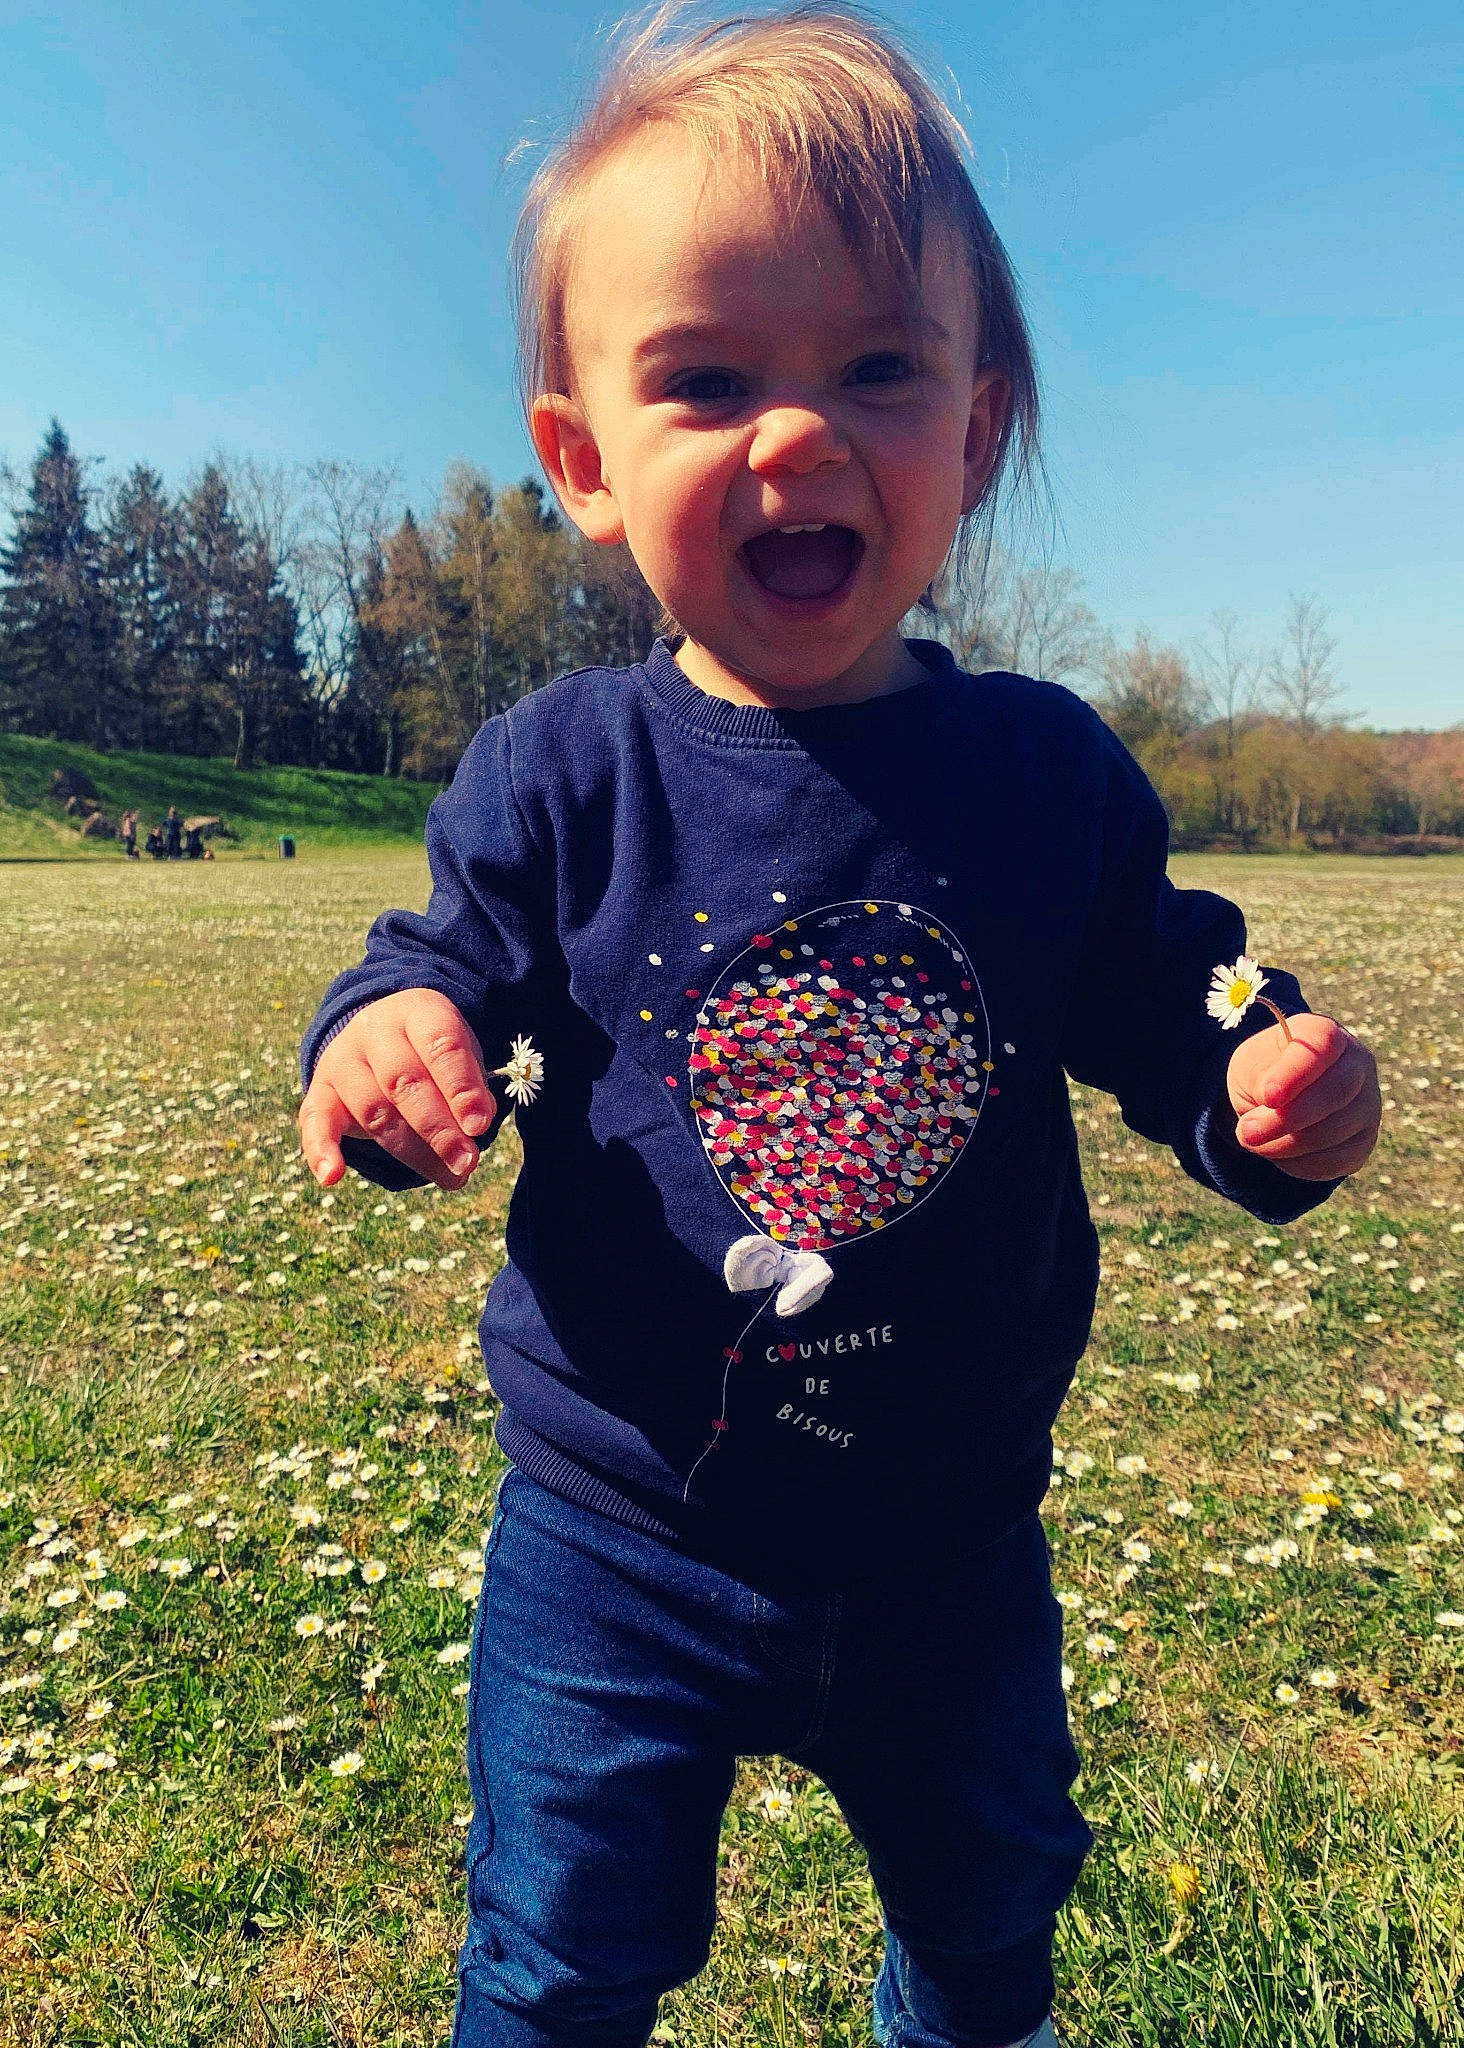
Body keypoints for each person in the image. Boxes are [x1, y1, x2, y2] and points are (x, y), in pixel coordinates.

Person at [297, 14, 1382, 2046]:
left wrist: (1270, 1071)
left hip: (951, 1535)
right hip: (617, 1532)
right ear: (587, 464)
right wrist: (387, 1043)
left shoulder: (1039, 775)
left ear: (975, 430)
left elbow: (1177, 975)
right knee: (556, 1953)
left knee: (991, 1913)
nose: (797, 436)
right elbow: (425, 963)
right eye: (707, 379)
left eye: (877, 367)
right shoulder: (562, 777)